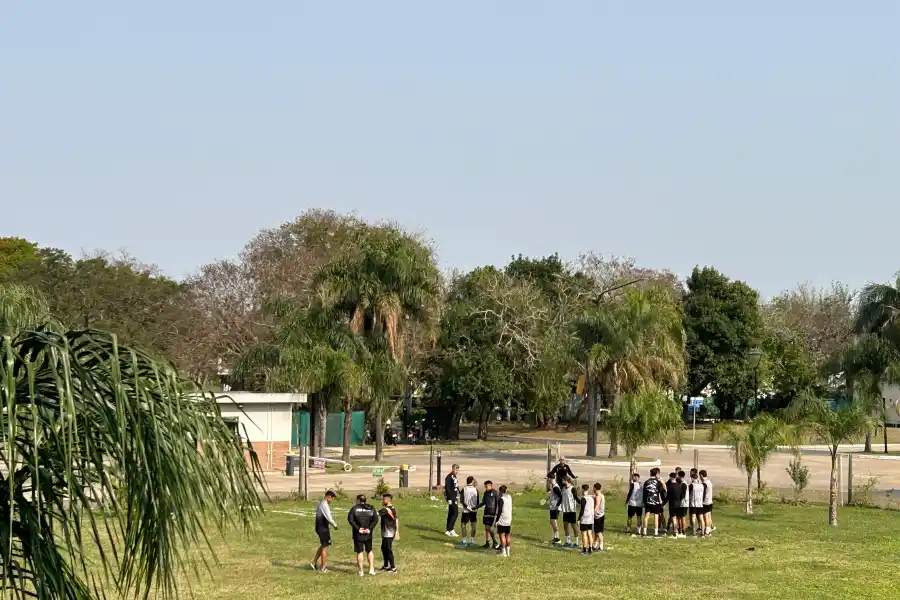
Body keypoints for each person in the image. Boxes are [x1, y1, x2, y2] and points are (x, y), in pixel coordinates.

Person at [348, 494, 379, 576]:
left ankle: (361, 571)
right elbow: (375, 519)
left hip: (358, 534)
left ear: (358, 500)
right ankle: (371, 569)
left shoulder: (354, 508)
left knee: (360, 551)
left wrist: (358, 529)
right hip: (368, 534)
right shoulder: (371, 508)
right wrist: (369, 528)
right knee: (369, 550)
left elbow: (350, 520)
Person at [310, 490, 338, 572]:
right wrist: (335, 525)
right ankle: (323, 567)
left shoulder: (321, 503)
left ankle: (314, 562)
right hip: (322, 528)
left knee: (323, 545)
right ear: (329, 497)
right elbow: (329, 517)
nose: (332, 501)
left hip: (320, 527)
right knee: (325, 547)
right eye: (332, 499)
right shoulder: (324, 504)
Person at [642, 467, 667, 537]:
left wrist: (644, 502)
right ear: (656, 474)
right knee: (656, 516)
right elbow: (664, 490)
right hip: (656, 502)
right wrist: (662, 482)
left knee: (646, 516)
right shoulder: (658, 482)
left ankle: (644, 532)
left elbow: (644, 494)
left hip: (648, 501)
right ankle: (656, 532)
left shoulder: (646, 482)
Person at [378, 493, 399, 573]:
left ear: (387, 500)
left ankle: (393, 568)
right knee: (383, 548)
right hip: (387, 532)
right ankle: (386, 565)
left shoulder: (386, 510)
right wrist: (397, 531)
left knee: (388, 549)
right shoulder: (392, 508)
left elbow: (375, 514)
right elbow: (396, 519)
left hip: (388, 532)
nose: (382, 501)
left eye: (382, 500)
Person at [479, 480, 501, 549]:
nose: (486, 488)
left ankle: (495, 542)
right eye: (485, 487)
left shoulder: (495, 493)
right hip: (486, 513)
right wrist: (476, 507)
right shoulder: (485, 493)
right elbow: (483, 502)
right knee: (486, 528)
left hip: (492, 513)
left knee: (489, 528)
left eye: (487, 486)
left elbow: (498, 504)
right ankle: (487, 543)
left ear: (491, 485)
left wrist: (497, 514)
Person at [460, 476, 480, 546]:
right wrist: (475, 508)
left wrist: (467, 507)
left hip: (466, 510)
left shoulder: (464, 489)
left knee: (463, 525)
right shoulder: (476, 490)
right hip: (473, 511)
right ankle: (471, 540)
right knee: (473, 526)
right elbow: (477, 502)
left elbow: (461, 500)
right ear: (472, 481)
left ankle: (464, 540)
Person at [561, 476, 578, 547]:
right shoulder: (563, 488)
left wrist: (582, 503)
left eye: (562, 480)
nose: (562, 481)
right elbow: (561, 498)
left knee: (574, 526)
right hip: (565, 510)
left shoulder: (573, 488)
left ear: (566, 481)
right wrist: (557, 504)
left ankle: (576, 542)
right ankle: (568, 541)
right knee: (565, 526)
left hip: (572, 511)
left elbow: (576, 498)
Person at [496, 485, 513, 557]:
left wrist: (496, 520)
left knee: (502, 535)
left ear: (500, 491)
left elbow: (499, 511)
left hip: (502, 519)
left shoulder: (501, 499)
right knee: (508, 535)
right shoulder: (509, 497)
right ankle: (508, 552)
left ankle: (503, 552)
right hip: (509, 519)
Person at [577, 483, 595, 554]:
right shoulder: (591, 498)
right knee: (590, 533)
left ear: (583, 490)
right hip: (591, 519)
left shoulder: (583, 498)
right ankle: (590, 548)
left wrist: (579, 519)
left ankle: (584, 549)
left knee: (584, 534)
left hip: (585, 519)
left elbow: (582, 510)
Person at [444, 464, 460, 537]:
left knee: (451, 513)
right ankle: (451, 529)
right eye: (456, 470)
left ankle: (448, 530)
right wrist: (449, 498)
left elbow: (456, 486)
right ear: (453, 469)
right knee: (455, 513)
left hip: (454, 497)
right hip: (452, 498)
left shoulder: (454, 476)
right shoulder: (449, 477)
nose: (457, 471)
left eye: (458, 470)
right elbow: (447, 489)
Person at [547, 477, 563, 545]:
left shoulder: (555, 487)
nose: (548, 480)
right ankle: (556, 538)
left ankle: (558, 539)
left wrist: (557, 505)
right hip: (553, 507)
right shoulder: (553, 486)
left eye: (548, 479)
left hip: (555, 507)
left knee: (553, 522)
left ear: (551, 479)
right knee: (552, 521)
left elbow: (561, 497)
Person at [689, 470, 704, 536]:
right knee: (701, 519)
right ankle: (702, 533)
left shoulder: (692, 485)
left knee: (693, 517)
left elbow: (688, 493)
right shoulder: (701, 485)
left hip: (693, 504)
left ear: (692, 478)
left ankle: (694, 531)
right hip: (700, 504)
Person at [700, 469, 715, 535]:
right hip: (710, 501)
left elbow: (703, 493)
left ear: (701, 475)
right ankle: (709, 529)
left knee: (705, 517)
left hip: (705, 502)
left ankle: (707, 530)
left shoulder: (704, 484)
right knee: (709, 516)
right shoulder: (709, 482)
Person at [592, 482, 606, 552]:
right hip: (601, 515)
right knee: (596, 531)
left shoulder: (598, 496)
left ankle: (601, 546)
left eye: (593, 487)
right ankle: (594, 545)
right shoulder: (601, 495)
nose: (592, 489)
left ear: (595, 488)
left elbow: (597, 506)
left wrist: (592, 513)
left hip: (598, 516)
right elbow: (594, 496)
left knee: (598, 532)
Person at [677, 470, 689, 538]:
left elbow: (683, 495)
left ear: (680, 476)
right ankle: (681, 530)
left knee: (682, 517)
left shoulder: (683, 484)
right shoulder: (683, 483)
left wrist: (678, 500)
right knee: (680, 517)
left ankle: (682, 531)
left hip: (683, 503)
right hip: (684, 503)